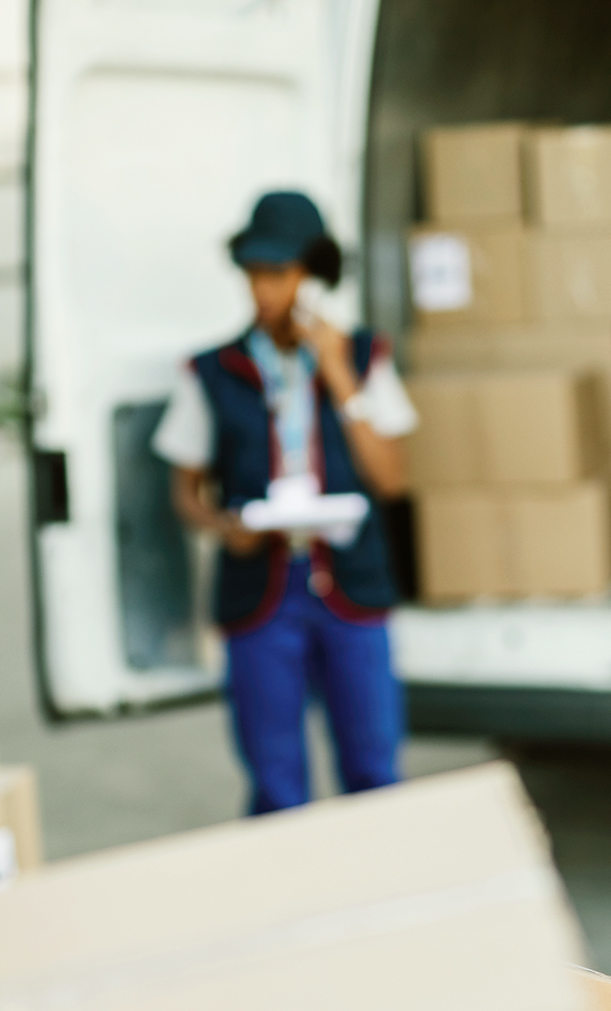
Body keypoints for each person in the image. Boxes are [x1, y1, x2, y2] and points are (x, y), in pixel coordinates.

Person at [153, 190, 418, 814]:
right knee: (275, 781)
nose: (264, 291)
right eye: (254, 275)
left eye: (279, 274)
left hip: (351, 585)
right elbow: (185, 491)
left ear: (312, 278)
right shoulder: (211, 370)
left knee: (374, 767)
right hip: (262, 592)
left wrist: (338, 374)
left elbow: (393, 479)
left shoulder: (362, 357)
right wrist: (223, 527)